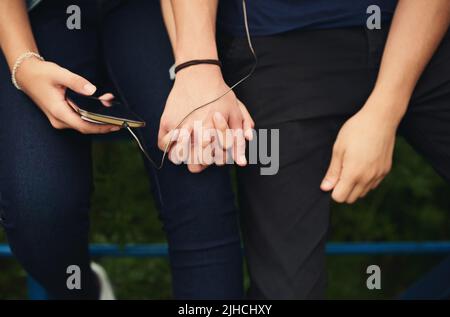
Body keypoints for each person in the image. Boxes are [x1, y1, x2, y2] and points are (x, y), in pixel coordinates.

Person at [160, 0, 450, 298]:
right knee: (287, 293)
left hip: (420, 35)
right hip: (277, 49)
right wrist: (198, 68)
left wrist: (384, 111)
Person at [0, 0, 249, 299]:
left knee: (200, 184)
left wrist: (198, 67)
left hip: (157, 11)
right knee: (38, 209)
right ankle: (87, 290)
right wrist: (23, 64)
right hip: (37, 16)